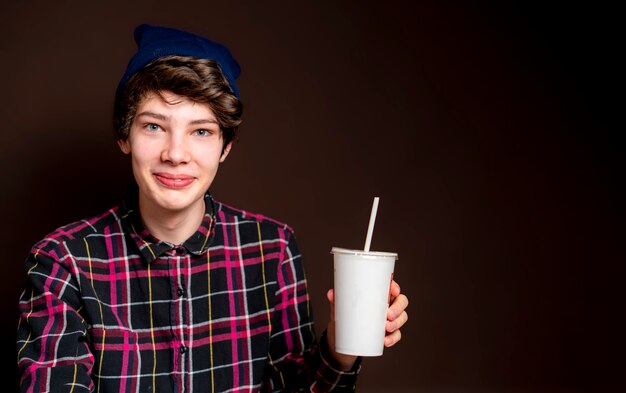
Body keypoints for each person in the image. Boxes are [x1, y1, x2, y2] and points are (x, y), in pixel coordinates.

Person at [16, 24, 409, 393]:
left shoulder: (272, 248)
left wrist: (340, 346)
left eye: (200, 131)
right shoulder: (62, 261)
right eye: (154, 126)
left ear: (225, 147)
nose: (175, 154)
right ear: (124, 136)